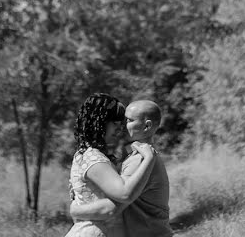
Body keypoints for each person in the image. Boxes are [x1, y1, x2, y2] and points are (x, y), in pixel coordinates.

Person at [70, 99, 172, 237]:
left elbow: (113, 206)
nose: (122, 126)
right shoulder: (135, 156)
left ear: (147, 126)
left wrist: (75, 210)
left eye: (129, 120)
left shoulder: (139, 160)